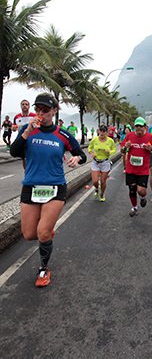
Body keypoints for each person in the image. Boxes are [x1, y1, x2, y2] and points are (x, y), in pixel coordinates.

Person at [9, 92, 86, 287]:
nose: (41, 113)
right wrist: (26, 132)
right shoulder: (28, 130)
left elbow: (80, 154)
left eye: (45, 110)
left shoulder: (63, 134)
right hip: (31, 186)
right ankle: (46, 235)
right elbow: (15, 152)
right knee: (28, 234)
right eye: (38, 109)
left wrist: (77, 158)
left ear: (54, 111)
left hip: (55, 187)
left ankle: (44, 268)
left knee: (42, 232)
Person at [121, 117, 152, 216]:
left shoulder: (150, 137)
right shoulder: (129, 136)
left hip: (143, 170)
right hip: (131, 169)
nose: (138, 128)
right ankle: (134, 207)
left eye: (140, 126)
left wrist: (151, 149)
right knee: (132, 189)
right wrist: (126, 147)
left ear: (145, 127)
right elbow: (122, 150)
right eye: (137, 126)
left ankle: (142, 197)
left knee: (141, 191)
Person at [88, 124, 116, 202]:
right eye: (101, 131)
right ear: (98, 131)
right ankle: (97, 188)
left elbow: (114, 149)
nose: (102, 133)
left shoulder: (110, 141)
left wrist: (110, 152)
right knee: (95, 181)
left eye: (104, 131)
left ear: (107, 132)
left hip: (105, 162)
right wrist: (91, 153)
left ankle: (102, 193)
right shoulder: (95, 139)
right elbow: (89, 148)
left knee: (103, 181)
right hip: (96, 162)